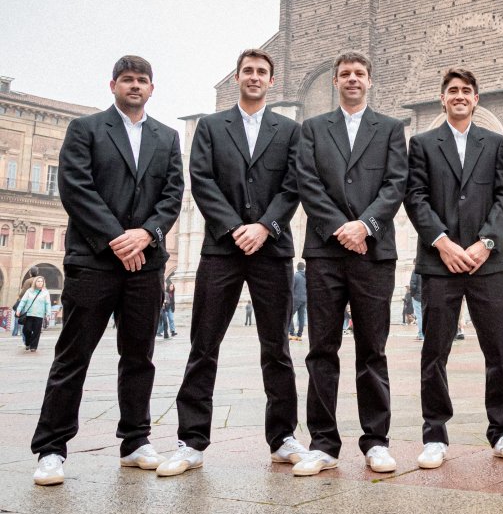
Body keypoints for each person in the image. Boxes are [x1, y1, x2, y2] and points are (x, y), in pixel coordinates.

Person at [31, 56, 184, 486]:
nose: (135, 86)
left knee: (139, 357)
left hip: (146, 263)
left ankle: (135, 441)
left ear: (152, 88)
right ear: (112, 85)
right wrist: (119, 238)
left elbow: (172, 195)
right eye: (127, 80)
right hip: (95, 260)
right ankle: (51, 448)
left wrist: (147, 235)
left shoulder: (167, 136)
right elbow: (76, 188)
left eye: (142, 80)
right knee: (73, 355)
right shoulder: (86, 130)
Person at [156, 48, 304, 477]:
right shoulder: (211, 127)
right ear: (238, 78)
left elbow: (293, 185)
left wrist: (265, 227)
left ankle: (283, 437)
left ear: (272, 81)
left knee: (276, 347)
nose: (255, 77)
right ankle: (191, 440)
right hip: (222, 248)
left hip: (271, 248)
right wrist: (235, 227)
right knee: (204, 344)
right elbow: (200, 180)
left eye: (262, 72)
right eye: (248, 71)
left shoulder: (288, 130)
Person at [294, 51, 407, 477]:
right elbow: (308, 182)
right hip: (325, 251)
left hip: (373, 252)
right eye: (345, 74)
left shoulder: (392, 128)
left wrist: (366, 225)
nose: (353, 80)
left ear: (370, 81)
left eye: (360, 74)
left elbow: (397, 183)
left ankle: (376, 441)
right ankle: (323, 442)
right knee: (321, 349)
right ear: (335, 82)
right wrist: (341, 227)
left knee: (372, 349)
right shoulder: (313, 129)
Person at [405, 68, 503, 468]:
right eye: (452, 90)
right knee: (434, 352)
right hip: (439, 263)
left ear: (476, 99)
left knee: (498, 349)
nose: (459, 96)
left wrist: (487, 242)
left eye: (466, 91)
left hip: (487, 263)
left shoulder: (494, 142)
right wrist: (444, 243)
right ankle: (435, 434)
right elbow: (415, 197)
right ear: (442, 98)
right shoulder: (421, 144)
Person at [18, 276, 52, 351]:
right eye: (38, 281)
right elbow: (23, 301)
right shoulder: (29, 291)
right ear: (35, 282)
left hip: (39, 315)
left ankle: (33, 347)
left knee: (36, 332)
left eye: (41, 281)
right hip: (29, 314)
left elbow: (47, 304)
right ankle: (28, 343)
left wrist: (48, 314)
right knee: (26, 330)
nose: (40, 283)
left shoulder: (45, 292)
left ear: (43, 283)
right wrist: (18, 310)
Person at [290, 260, 307, 341]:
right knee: (301, 318)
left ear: (297, 268)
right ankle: (299, 335)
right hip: (304, 299)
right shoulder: (307, 277)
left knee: (289, 315)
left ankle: (292, 333)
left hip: (295, 299)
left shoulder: (296, 276)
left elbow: (291, 288)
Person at [409, 270, 423, 340]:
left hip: (417, 296)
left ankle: (421, 334)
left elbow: (413, 284)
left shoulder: (416, 271)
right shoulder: (428, 269)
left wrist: (412, 294)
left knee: (419, 316)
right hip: (427, 296)